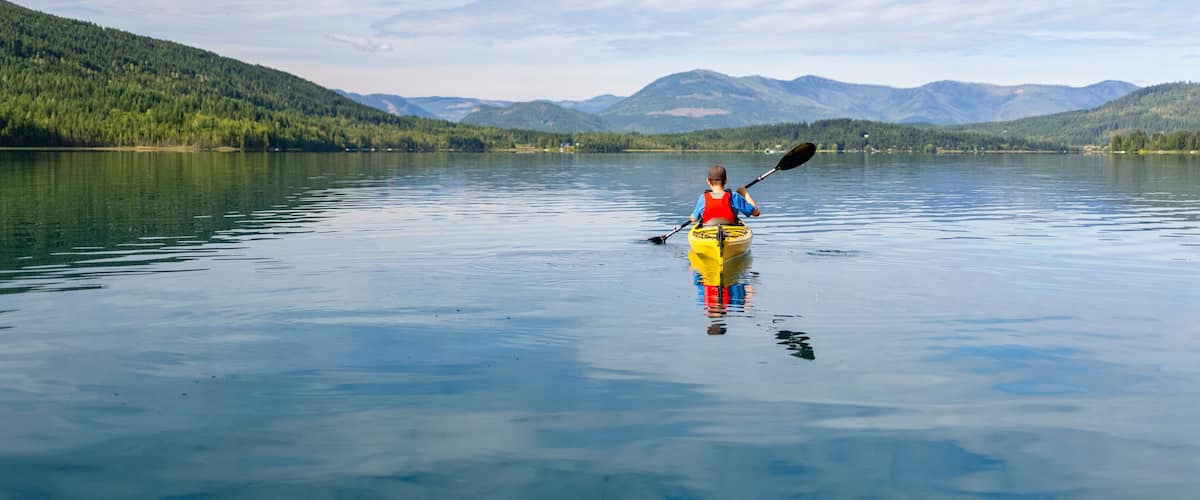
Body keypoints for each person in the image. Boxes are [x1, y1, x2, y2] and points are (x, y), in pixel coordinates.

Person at [691, 165, 759, 226]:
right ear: (726, 180)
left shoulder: (703, 198)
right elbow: (756, 213)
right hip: (731, 231)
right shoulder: (734, 196)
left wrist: (693, 216)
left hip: (708, 231)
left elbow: (694, 219)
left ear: (708, 181)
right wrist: (744, 193)